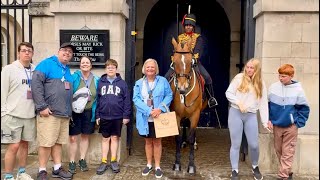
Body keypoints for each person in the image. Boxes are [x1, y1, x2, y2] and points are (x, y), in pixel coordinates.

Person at [31, 42, 75, 180]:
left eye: (70, 52)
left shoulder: (67, 70)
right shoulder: (47, 64)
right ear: (58, 51)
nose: (67, 53)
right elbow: (35, 84)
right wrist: (42, 106)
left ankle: (57, 168)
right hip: (49, 113)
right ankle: (42, 170)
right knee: (46, 143)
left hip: (63, 114)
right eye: (64, 50)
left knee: (58, 143)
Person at [225, 58, 270, 180]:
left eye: (252, 68)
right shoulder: (239, 78)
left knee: (254, 144)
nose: (249, 70)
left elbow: (263, 103)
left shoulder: (261, 83)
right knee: (235, 144)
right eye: (248, 67)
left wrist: (265, 121)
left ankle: (255, 166)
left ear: (256, 70)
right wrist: (238, 103)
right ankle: (234, 170)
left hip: (250, 115)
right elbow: (228, 93)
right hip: (236, 113)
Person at [164, 13, 217, 108]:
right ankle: (164, 99)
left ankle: (211, 99)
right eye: (186, 25)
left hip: (193, 62)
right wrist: (175, 59)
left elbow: (198, 50)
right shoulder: (179, 37)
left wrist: (194, 59)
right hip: (180, 63)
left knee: (207, 78)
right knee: (166, 77)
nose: (188, 27)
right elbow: (175, 49)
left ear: (193, 27)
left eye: (190, 25)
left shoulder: (198, 37)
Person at [268, 64, 310, 180]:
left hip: (291, 126)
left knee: (288, 151)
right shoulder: (273, 87)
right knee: (279, 150)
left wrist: (298, 123)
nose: (281, 78)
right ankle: (288, 171)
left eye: (284, 76)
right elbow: (267, 105)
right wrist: (269, 119)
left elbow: (304, 108)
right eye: (280, 76)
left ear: (291, 76)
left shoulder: (298, 90)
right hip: (277, 125)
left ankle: (283, 176)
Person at [133, 58, 173, 179]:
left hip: (158, 116)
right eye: (148, 67)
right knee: (147, 141)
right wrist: (148, 110)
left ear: (156, 69)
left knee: (157, 141)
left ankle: (157, 166)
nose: (150, 69)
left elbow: (169, 95)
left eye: (152, 67)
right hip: (145, 117)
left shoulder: (163, 81)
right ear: (144, 69)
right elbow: (136, 99)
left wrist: (160, 108)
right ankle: (149, 164)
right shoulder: (139, 83)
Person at [1, 42, 36, 180]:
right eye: (23, 50)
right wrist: (3, 112)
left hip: (29, 115)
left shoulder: (35, 69)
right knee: (13, 146)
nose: (26, 53)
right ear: (18, 53)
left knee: (24, 145)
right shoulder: (9, 69)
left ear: (32, 53)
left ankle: (21, 172)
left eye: (29, 51)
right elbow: (3, 91)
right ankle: (8, 175)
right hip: (12, 115)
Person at [95, 59, 131, 175]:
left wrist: (126, 115)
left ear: (116, 69)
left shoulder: (122, 83)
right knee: (105, 139)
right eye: (108, 67)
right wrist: (97, 115)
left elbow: (127, 101)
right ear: (106, 69)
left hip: (117, 116)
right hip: (104, 116)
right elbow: (98, 100)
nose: (110, 69)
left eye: (113, 67)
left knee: (115, 138)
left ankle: (114, 160)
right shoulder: (101, 82)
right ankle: (104, 161)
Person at [68, 56, 99, 174]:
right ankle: (72, 161)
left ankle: (82, 159)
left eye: (87, 62)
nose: (85, 64)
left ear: (91, 65)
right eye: (82, 62)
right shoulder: (74, 77)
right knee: (73, 137)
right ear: (80, 65)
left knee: (85, 136)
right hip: (75, 112)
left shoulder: (96, 79)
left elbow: (98, 98)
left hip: (89, 111)